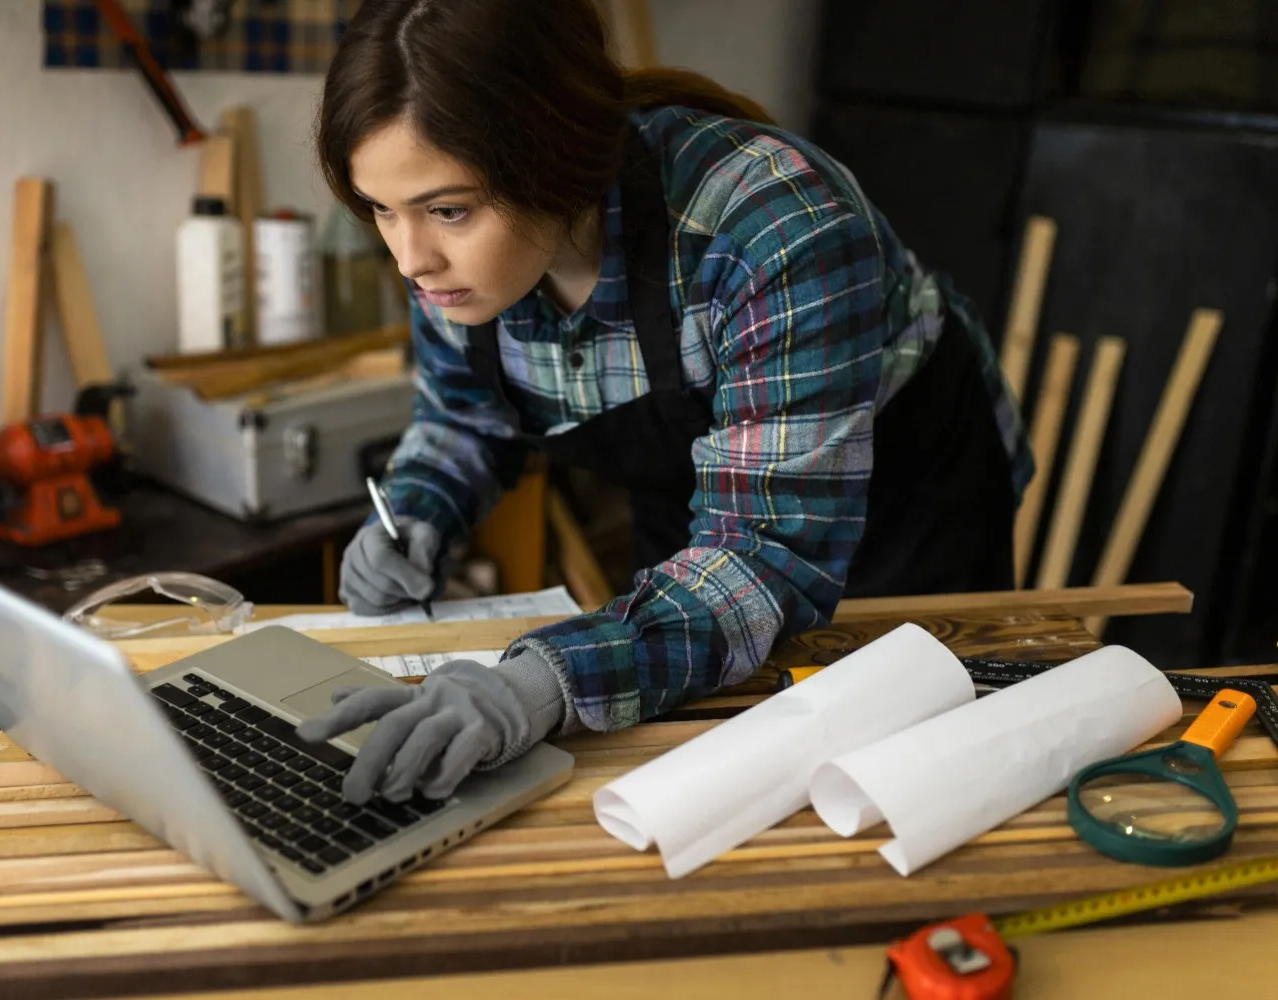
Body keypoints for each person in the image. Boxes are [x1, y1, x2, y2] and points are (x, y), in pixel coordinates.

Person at [295, 0, 1032, 807]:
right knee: (712, 774)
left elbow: (764, 553)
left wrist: (537, 684)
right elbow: (466, 416)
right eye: (379, 210)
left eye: (448, 210)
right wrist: (415, 511)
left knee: (904, 785)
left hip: (903, 514)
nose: (411, 259)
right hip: (703, 516)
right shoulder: (453, 260)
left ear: (555, 155)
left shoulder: (775, 224)